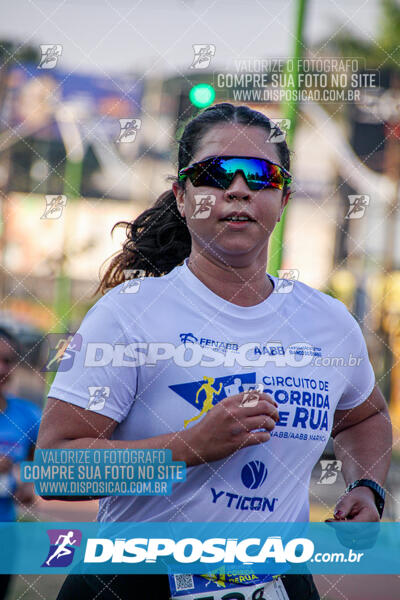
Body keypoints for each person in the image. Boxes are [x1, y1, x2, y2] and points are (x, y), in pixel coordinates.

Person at [37, 103, 392, 600]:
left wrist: (367, 487)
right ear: (182, 197)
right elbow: (57, 469)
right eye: (214, 173)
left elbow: (364, 418)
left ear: (284, 197)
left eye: (262, 176)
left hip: (277, 580)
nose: (239, 188)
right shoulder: (129, 315)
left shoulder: (328, 323)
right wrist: (188, 448)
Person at [0, 326, 42, 599]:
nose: (2, 368)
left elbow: (33, 458)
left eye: (8, 360)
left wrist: (27, 484)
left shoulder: (28, 414)